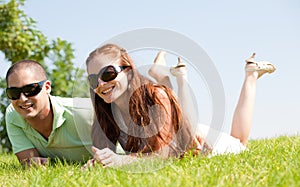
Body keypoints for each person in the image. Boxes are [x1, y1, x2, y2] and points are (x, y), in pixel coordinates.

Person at [85, 43, 275, 168]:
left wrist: (122, 160)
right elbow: (110, 154)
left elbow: (163, 155)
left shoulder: (155, 96)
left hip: (206, 146)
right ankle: (166, 74)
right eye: (93, 80)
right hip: (184, 135)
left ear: (128, 71)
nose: (101, 84)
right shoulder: (106, 111)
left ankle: (250, 76)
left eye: (108, 74)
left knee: (240, 141)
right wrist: (98, 162)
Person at [5, 60, 93, 167]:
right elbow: (30, 163)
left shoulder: (86, 113)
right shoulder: (13, 115)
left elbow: (117, 153)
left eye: (30, 89)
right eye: (14, 93)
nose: (22, 99)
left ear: (47, 87)